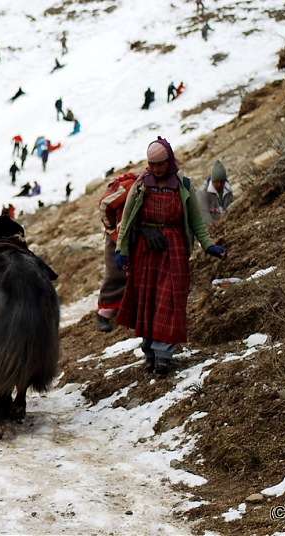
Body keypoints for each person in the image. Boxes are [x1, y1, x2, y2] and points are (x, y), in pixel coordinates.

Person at [115, 137, 226, 376]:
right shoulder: (141, 185)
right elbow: (127, 220)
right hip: (146, 251)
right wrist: (121, 250)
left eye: (161, 164)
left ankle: (164, 356)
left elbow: (196, 220)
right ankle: (150, 353)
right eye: (152, 165)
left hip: (174, 251)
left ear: (170, 161)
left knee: (169, 301)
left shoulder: (182, 185)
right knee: (148, 300)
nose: (156, 169)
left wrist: (208, 245)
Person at [95, 172, 138, 332]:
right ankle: (104, 312)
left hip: (136, 234)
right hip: (117, 233)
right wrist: (112, 230)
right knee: (115, 272)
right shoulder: (132, 186)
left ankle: (127, 307)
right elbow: (105, 204)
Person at [197, 160, 234, 225]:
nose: (219, 184)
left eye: (221, 182)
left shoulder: (228, 190)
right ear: (212, 180)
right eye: (216, 182)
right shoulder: (202, 193)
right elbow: (205, 217)